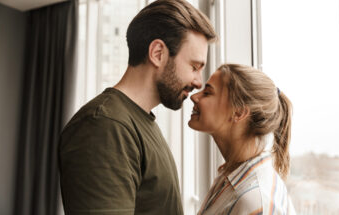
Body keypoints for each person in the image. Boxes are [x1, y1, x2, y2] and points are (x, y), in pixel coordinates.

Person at [58, 0, 216, 215]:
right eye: (194, 67)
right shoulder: (105, 126)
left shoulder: (138, 121)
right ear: (158, 53)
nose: (199, 82)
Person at [189, 64, 296, 215]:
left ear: (239, 112)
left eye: (207, 93)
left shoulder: (256, 202)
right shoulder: (231, 175)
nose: (194, 97)